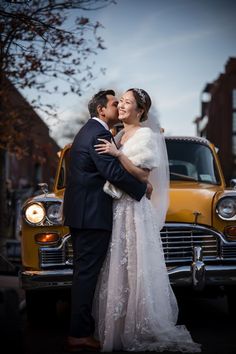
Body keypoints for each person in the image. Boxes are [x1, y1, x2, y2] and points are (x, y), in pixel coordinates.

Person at [93, 88, 201, 352]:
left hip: (134, 207)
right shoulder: (118, 134)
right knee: (121, 264)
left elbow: (142, 175)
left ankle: (142, 324)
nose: (120, 106)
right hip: (118, 206)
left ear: (140, 111)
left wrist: (118, 154)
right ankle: (120, 327)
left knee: (136, 264)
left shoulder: (146, 135)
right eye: (120, 102)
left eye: (127, 103)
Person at [63, 89, 150, 352]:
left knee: (83, 273)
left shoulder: (89, 132)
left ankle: (79, 330)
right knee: (87, 275)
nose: (118, 106)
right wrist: (142, 189)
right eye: (115, 103)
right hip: (92, 216)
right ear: (102, 110)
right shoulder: (99, 133)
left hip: (82, 213)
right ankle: (78, 334)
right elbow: (110, 171)